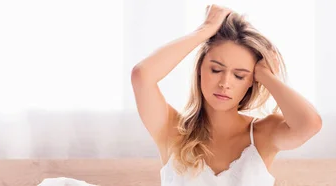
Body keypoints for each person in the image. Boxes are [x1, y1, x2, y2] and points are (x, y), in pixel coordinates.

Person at [131, 4, 322, 186]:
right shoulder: (172, 130)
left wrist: (266, 75)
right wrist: (205, 30)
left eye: (239, 75)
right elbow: (142, 76)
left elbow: (310, 124)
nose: (225, 83)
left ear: (251, 81)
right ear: (200, 69)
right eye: (215, 70)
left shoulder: (262, 134)